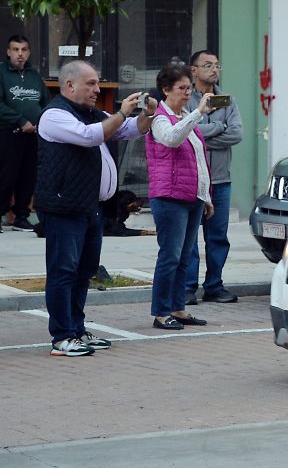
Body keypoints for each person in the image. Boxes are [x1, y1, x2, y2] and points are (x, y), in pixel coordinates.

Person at [36, 61, 154, 356]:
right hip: (65, 207)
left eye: (97, 83)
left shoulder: (93, 114)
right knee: (63, 271)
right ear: (69, 86)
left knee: (83, 270)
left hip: (90, 206)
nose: (97, 89)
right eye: (90, 84)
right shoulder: (54, 115)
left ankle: (76, 329)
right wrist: (122, 112)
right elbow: (91, 136)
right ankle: (62, 337)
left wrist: (147, 113)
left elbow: (131, 130)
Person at [147, 64, 217, 330]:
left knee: (184, 256)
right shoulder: (160, 117)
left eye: (189, 88)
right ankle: (161, 312)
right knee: (170, 256)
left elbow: (199, 160)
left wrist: (206, 197)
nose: (188, 93)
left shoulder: (186, 115)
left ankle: (178, 308)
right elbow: (172, 139)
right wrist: (198, 114)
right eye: (182, 88)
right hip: (169, 197)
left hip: (192, 197)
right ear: (166, 90)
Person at [184, 50, 243, 305]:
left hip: (220, 180)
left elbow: (237, 134)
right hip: (193, 180)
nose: (214, 69)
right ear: (194, 70)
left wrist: (201, 133)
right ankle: (187, 288)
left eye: (217, 65)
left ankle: (214, 286)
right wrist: (219, 127)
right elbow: (185, 131)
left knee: (218, 237)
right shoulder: (185, 99)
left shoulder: (226, 100)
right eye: (207, 65)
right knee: (189, 239)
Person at [0, 35, 49, 232]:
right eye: (16, 49)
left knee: (28, 177)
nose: (20, 54)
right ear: (8, 52)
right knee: (5, 175)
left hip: (33, 135)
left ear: (28, 52)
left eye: (24, 50)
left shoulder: (34, 76)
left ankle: (21, 216)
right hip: (8, 132)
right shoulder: (2, 73)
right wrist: (21, 121)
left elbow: (45, 102)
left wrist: (43, 122)